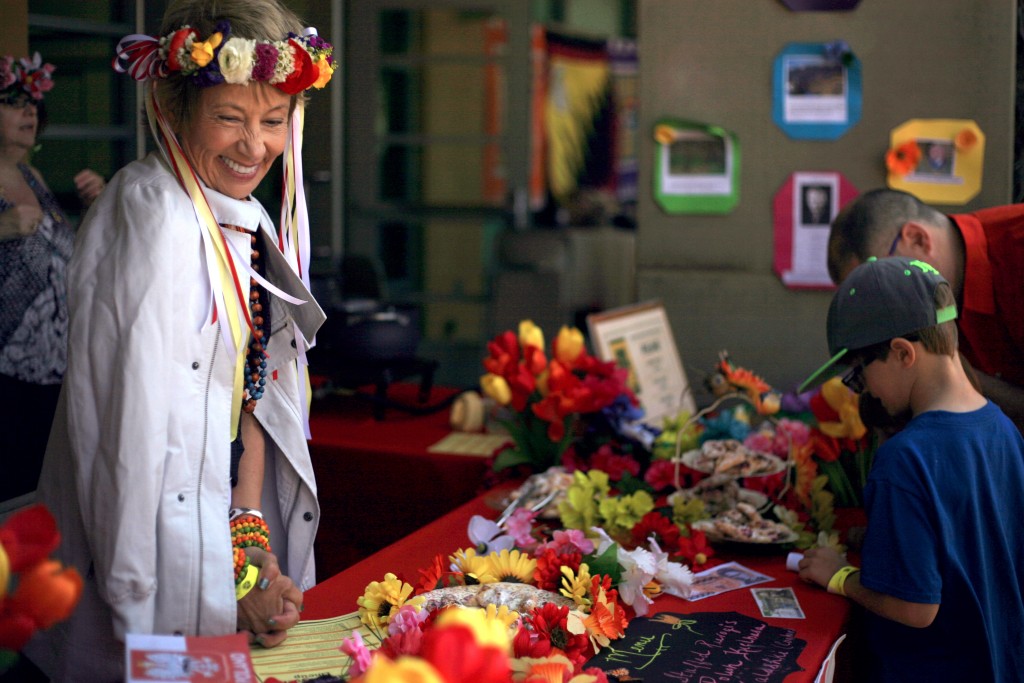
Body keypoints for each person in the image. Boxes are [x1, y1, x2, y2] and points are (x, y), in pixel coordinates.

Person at [25, 1, 334, 679]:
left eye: (274, 121)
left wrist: (248, 559)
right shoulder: (151, 217)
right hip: (139, 576)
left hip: (206, 555)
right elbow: (132, 454)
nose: (255, 146)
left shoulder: (244, 217)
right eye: (230, 117)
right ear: (172, 107)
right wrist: (212, 593)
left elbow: (250, 394)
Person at [798, 256, 1024, 681]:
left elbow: (915, 607)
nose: (866, 392)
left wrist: (839, 576)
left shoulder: (905, 459)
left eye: (860, 374)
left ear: (902, 353)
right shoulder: (1005, 431)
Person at [827, 188, 1024, 433]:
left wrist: (943, 373)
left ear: (918, 239)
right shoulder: (924, 311)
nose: (875, 310)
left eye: (880, 282)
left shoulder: (1016, 249)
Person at [0, 53, 106, 502]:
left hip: (53, 372)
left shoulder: (32, 175)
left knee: (39, 498)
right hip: (5, 376)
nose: (30, 112)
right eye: (12, 101)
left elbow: (60, 258)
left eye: (33, 104)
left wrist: (94, 210)